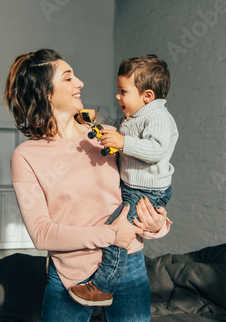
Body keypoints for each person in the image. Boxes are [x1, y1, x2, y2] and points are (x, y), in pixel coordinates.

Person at [5, 49, 172, 322]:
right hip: (70, 271)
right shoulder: (26, 156)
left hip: (128, 264)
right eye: (68, 78)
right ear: (45, 92)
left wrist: (157, 225)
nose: (80, 82)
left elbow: (139, 189)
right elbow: (41, 233)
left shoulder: (107, 136)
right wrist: (111, 235)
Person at [69, 54, 178, 306]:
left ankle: (103, 287)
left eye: (123, 92)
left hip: (147, 192)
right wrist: (96, 117)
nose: (118, 97)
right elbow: (118, 126)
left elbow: (156, 150)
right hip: (132, 188)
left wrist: (123, 143)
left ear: (147, 96)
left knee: (117, 234)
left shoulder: (159, 118)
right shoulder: (134, 116)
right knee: (113, 230)